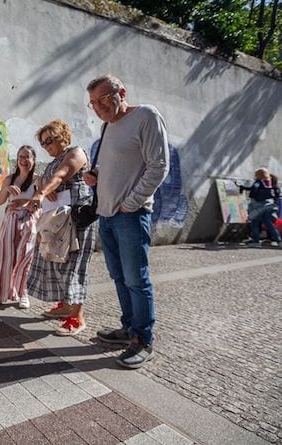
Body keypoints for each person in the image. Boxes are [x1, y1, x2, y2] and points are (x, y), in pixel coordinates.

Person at [84, 74, 169, 369]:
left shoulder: (146, 115)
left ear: (121, 92)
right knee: (119, 277)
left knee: (136, 279)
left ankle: (143, 340)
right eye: (93, 103)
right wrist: (95, 180)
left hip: (130, 215)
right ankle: (129, 329)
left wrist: (130, 204)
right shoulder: (108, 125)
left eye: (104, 99)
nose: (98, 107)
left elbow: (159, 166)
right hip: (106, 215)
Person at [26, 119, 96, 335]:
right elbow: (45, 178)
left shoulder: (76, 153)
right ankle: (65, 306)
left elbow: (62, 174)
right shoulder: (53, 161)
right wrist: (42, 186)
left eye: (48, 141)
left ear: (61, 137)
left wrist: (41, 192)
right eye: (43, 143)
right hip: (56, 222)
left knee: (75, 266)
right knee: (57, 263)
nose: (46, 146)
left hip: (76, 220)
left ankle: (77, 317)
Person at [0, 145, 39, 309]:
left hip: (29, 220)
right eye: (21, 157)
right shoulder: (10, 179)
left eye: (27, 157)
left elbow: (40, 201)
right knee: (4, 256)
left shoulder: (38, 179)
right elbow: (1, 201)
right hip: (10, 220)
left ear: (34, 160)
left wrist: (24, 203)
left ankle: (23, 293)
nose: (23, 161)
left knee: (25, 258)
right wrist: (7, 189)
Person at [239, 168, 281, 247]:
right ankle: (279, 241)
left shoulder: (258, 182)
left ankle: (256, 241)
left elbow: (253, 189)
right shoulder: (269, 182)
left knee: (255, 222)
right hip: (269, 205)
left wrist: (243, 188)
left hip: (258, 205)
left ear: (258, 174)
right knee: (269, 224)